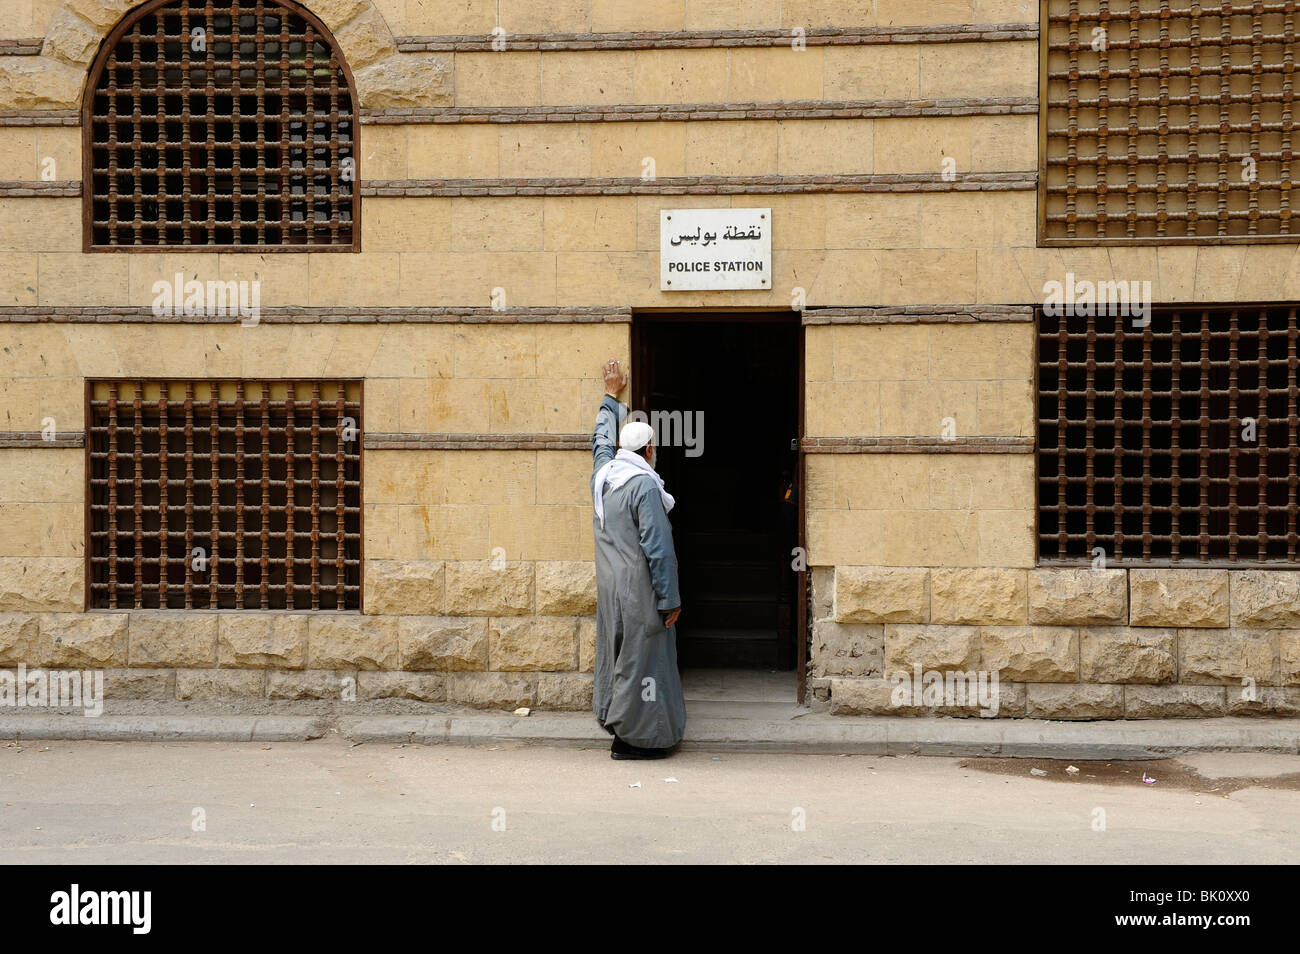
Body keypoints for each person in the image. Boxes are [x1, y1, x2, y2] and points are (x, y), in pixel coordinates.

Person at [590, 359, 687, 760]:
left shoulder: (604, 476)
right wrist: (670, 600)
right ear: (648, 450)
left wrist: (611, 397)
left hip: (610, 589)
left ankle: (615, 722)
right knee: (641, 665)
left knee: (616, 658)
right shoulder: (644, 487)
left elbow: (599, 442)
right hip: (639, 594)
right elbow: (659, 549)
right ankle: (635, 739)